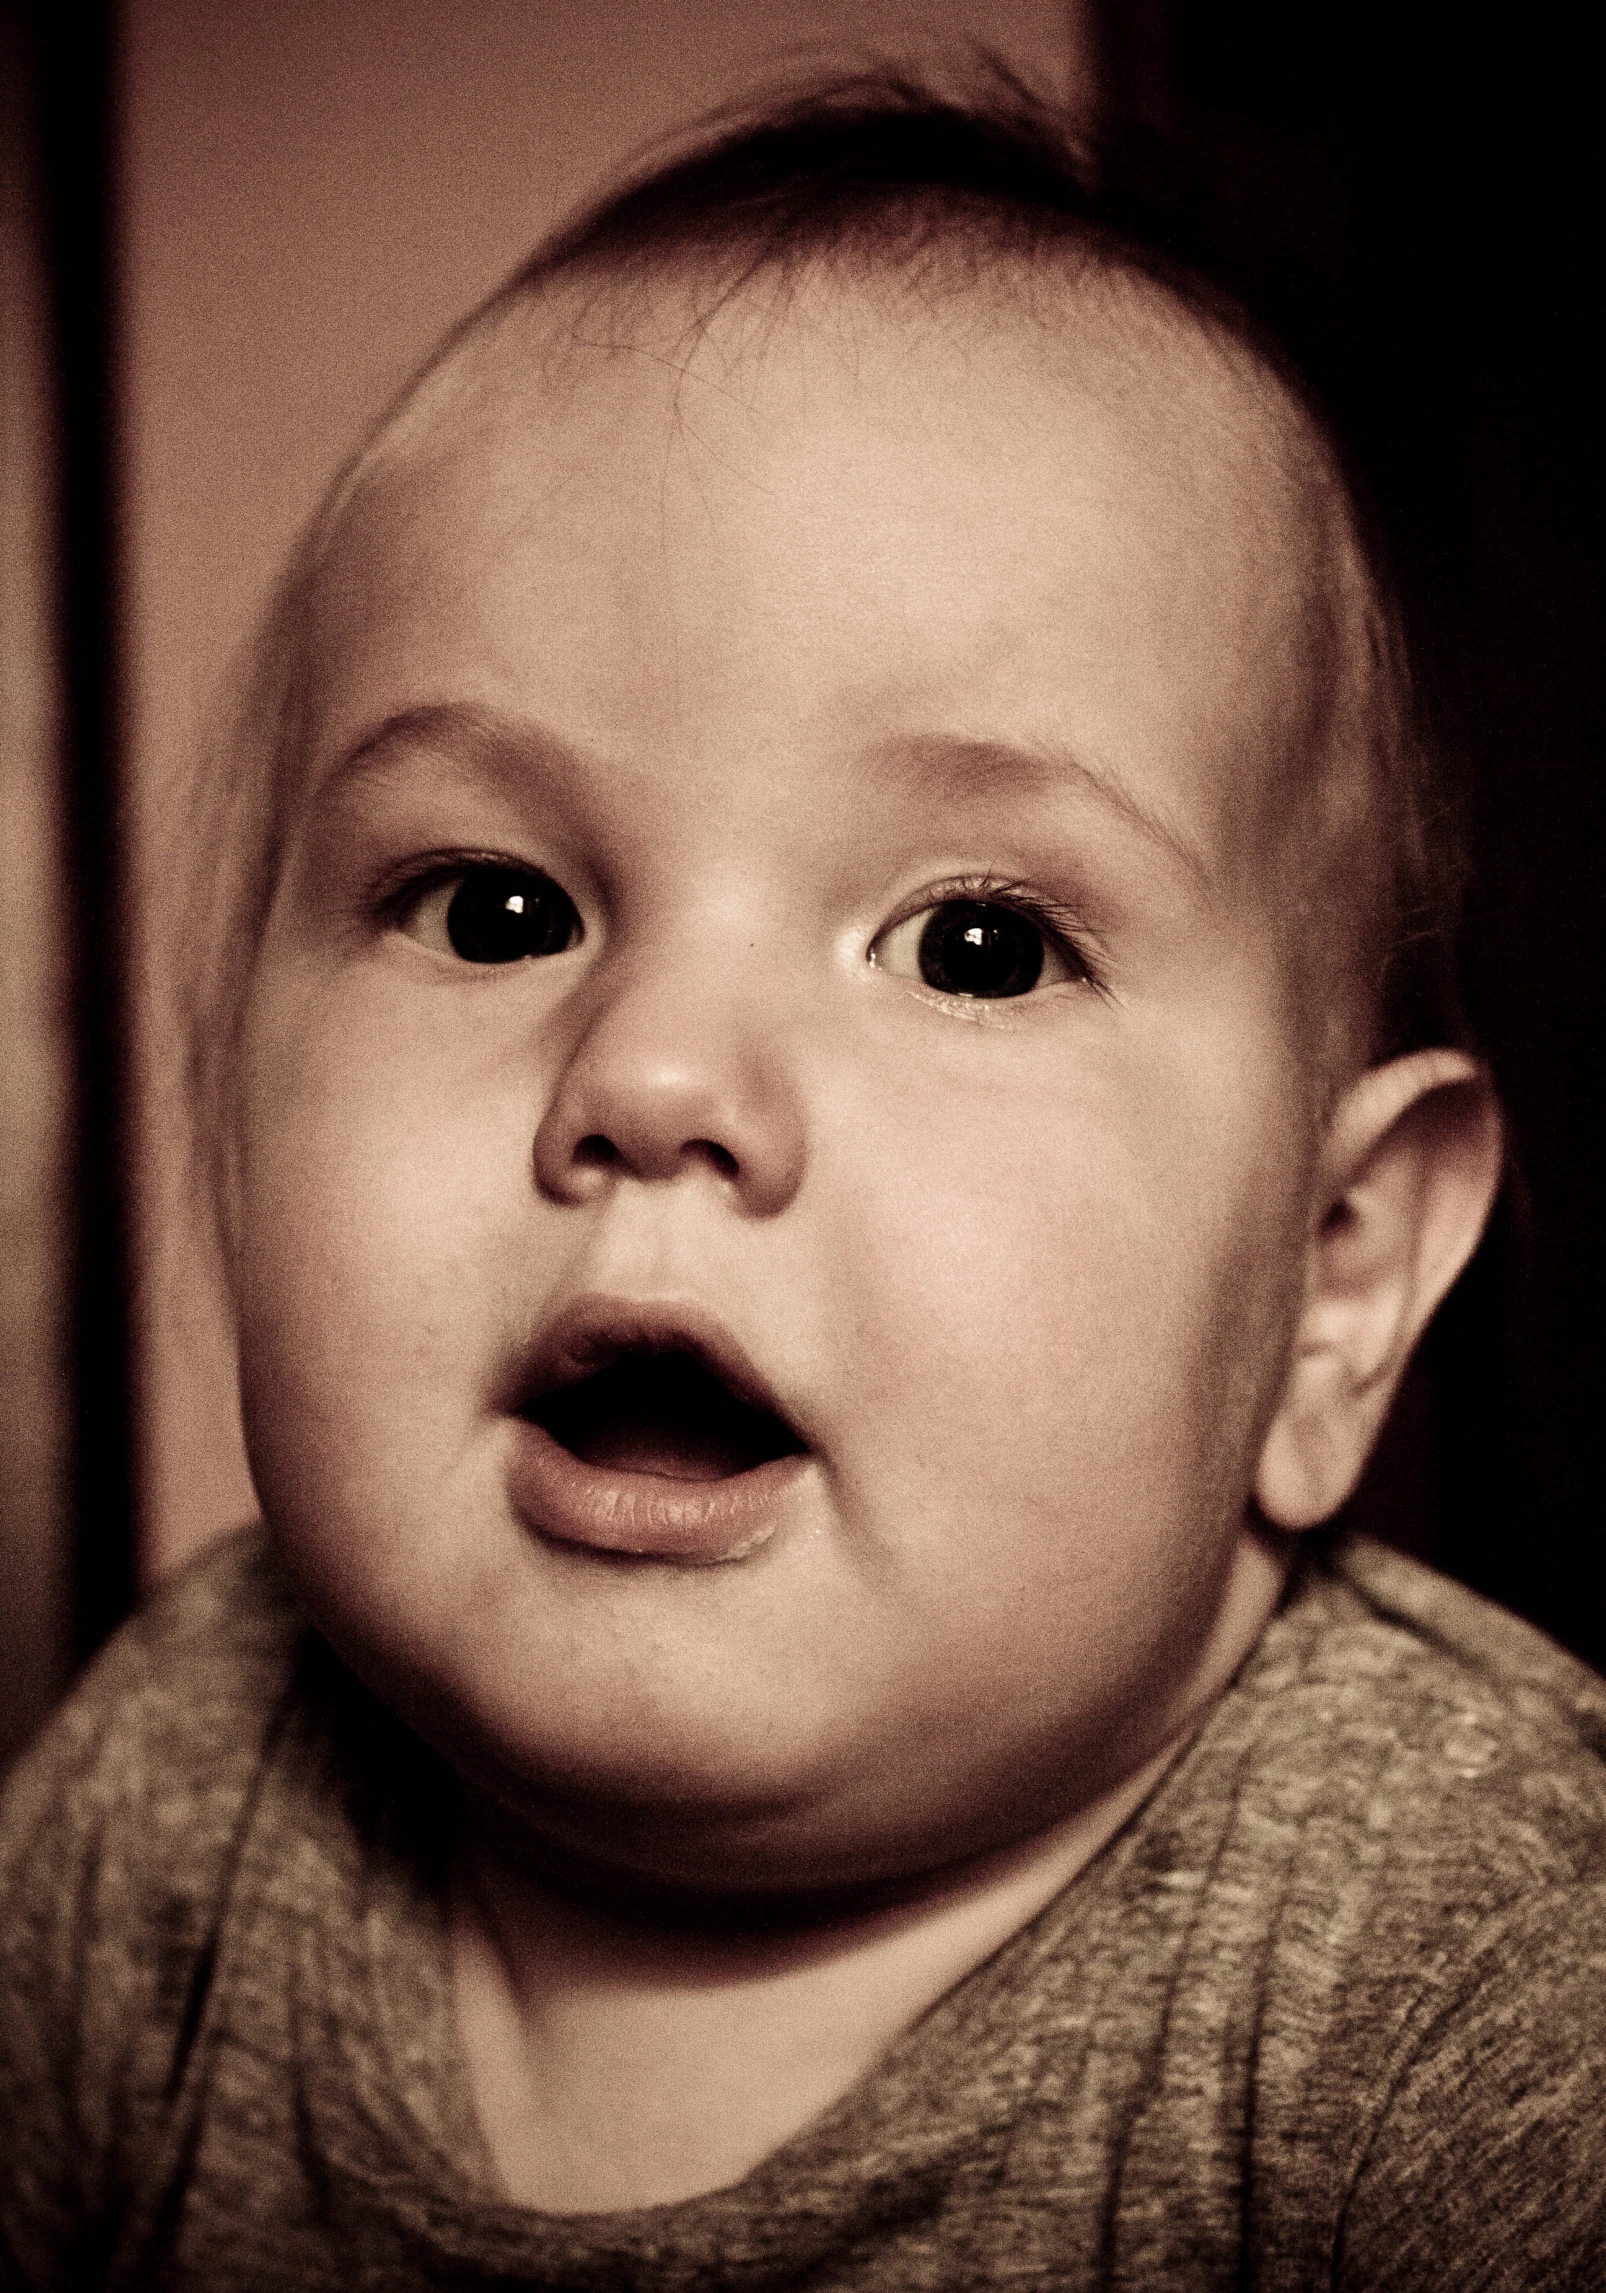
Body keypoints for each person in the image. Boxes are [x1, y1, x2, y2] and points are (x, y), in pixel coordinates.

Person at [4, 67, 1605, 2291]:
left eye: (971, 945)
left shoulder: (1465, 1959)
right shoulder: (167, 1811)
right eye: (494, 910)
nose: (650, 1074)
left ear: (1329, 1282)